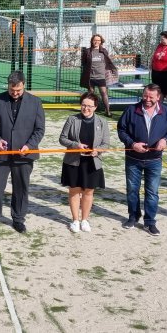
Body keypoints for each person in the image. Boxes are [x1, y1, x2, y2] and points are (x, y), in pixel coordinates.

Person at [0, 71, 45, 234]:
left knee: (21, 187)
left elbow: (39, 129)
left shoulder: (36, 102)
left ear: (23, 84)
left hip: (24, 155)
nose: (15, 93)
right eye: (12, 90)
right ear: (8, 85)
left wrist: (29, 145)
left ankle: (18, 219)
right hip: (1, 154)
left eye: (18, 90)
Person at [117, 84, 167, 236]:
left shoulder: (166, 112)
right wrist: (132, 144)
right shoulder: (131, 110)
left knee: (152, 192)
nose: (147, 99)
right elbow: (121, 130)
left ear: (159, 97)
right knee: (132, 190)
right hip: (133, 158)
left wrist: (166, 140)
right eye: (145, 96)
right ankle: (133, 216)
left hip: (154, 159)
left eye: (151, 97)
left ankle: (150, 222)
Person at [59, 92, 110, 233]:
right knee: (74, 191)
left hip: (92, 162)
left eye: (89, 106)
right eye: (83, 105)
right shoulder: (72, 119)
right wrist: (76, 145)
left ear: (95, 107)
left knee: (88, 192)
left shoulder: (102, 122)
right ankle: (75, 220)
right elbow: (62, 138)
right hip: (74, 161)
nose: (85, 108)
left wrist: (98, 151)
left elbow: (106, 144)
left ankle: (85, 220)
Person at [80, 34, 118, 117]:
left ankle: (107, 111)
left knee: (104, 93)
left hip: (101, 77)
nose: (96, 42)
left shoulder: (104, 51)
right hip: (90, 77)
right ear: (92, 41)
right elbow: (84, 63)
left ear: (101, 42)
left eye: (98, 40)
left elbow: (108, 61)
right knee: (90, 94)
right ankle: (89, 111)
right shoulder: (87, 51)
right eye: (95, 40)